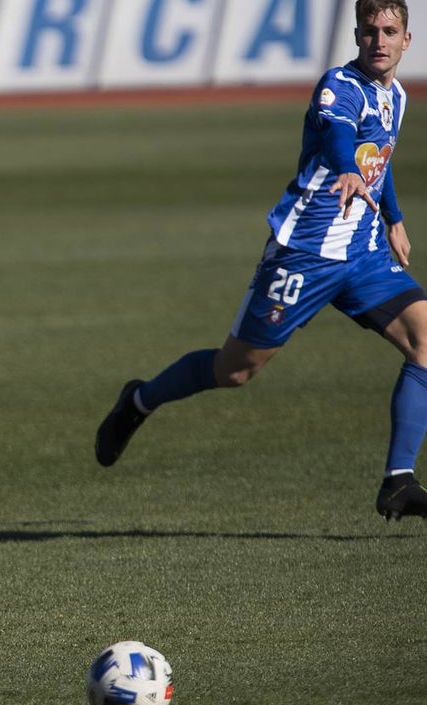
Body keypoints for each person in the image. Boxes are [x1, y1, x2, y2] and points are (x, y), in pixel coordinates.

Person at [95, 0, 425, 523]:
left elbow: (375, 159)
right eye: (368, 32)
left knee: (425, 342)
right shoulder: (338, 86)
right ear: (356, 37)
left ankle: (398, 481)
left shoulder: (397, 95)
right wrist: (345, 169)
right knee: (235, 371)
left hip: (361, 254)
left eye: (389, 32)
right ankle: (139, 400)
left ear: (407, 40)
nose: (378, 42)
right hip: (304, 253)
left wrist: (393, 217)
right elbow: (344, 140)